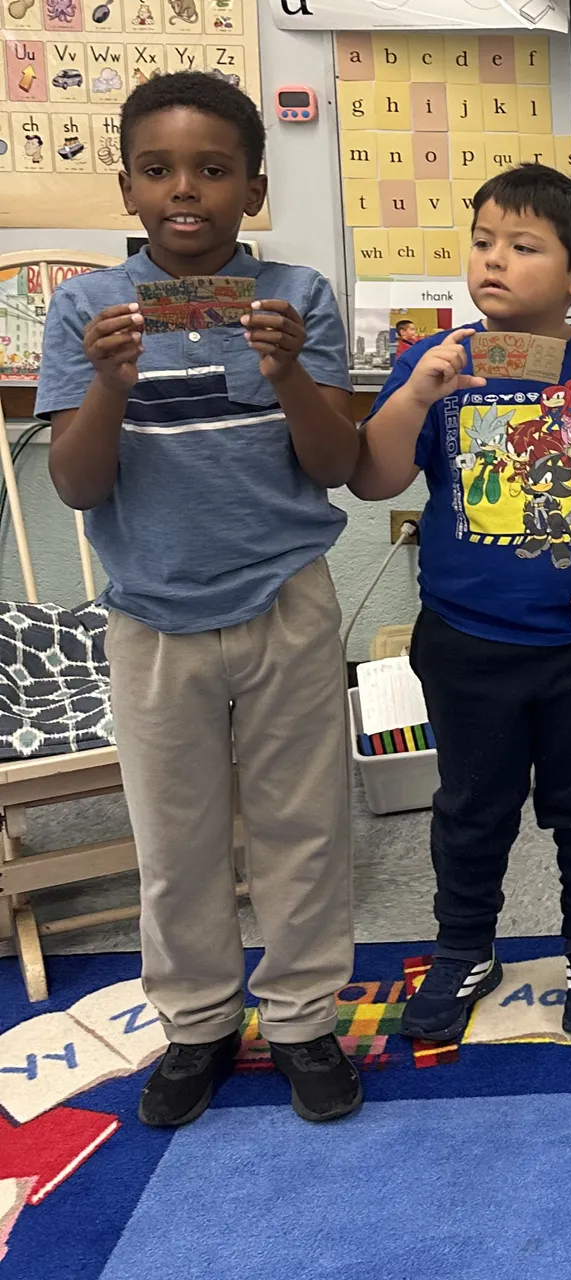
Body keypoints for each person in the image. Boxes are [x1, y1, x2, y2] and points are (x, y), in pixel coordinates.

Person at [40, 72, 363, 1126]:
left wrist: (287, 375)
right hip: (149, 614)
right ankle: (198, 1023)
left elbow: (336, 461)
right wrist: (111, 387)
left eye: (214, 170)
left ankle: (305, 1016)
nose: (188, 190)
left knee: (302, 825)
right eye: (161, 170)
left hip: (285, 598)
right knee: (174, 837)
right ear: (128, 189)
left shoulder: (298, 297)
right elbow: (80, 485)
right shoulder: (89, 309)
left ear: (253, 188)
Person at [354, 164, 571, 1041]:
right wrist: (420, 391)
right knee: (471, 804)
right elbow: (373, 475)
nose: (493, 262)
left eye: (523, 247)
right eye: (483, 242)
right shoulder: (436, 362)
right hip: (468, 638)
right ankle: (464, 946)